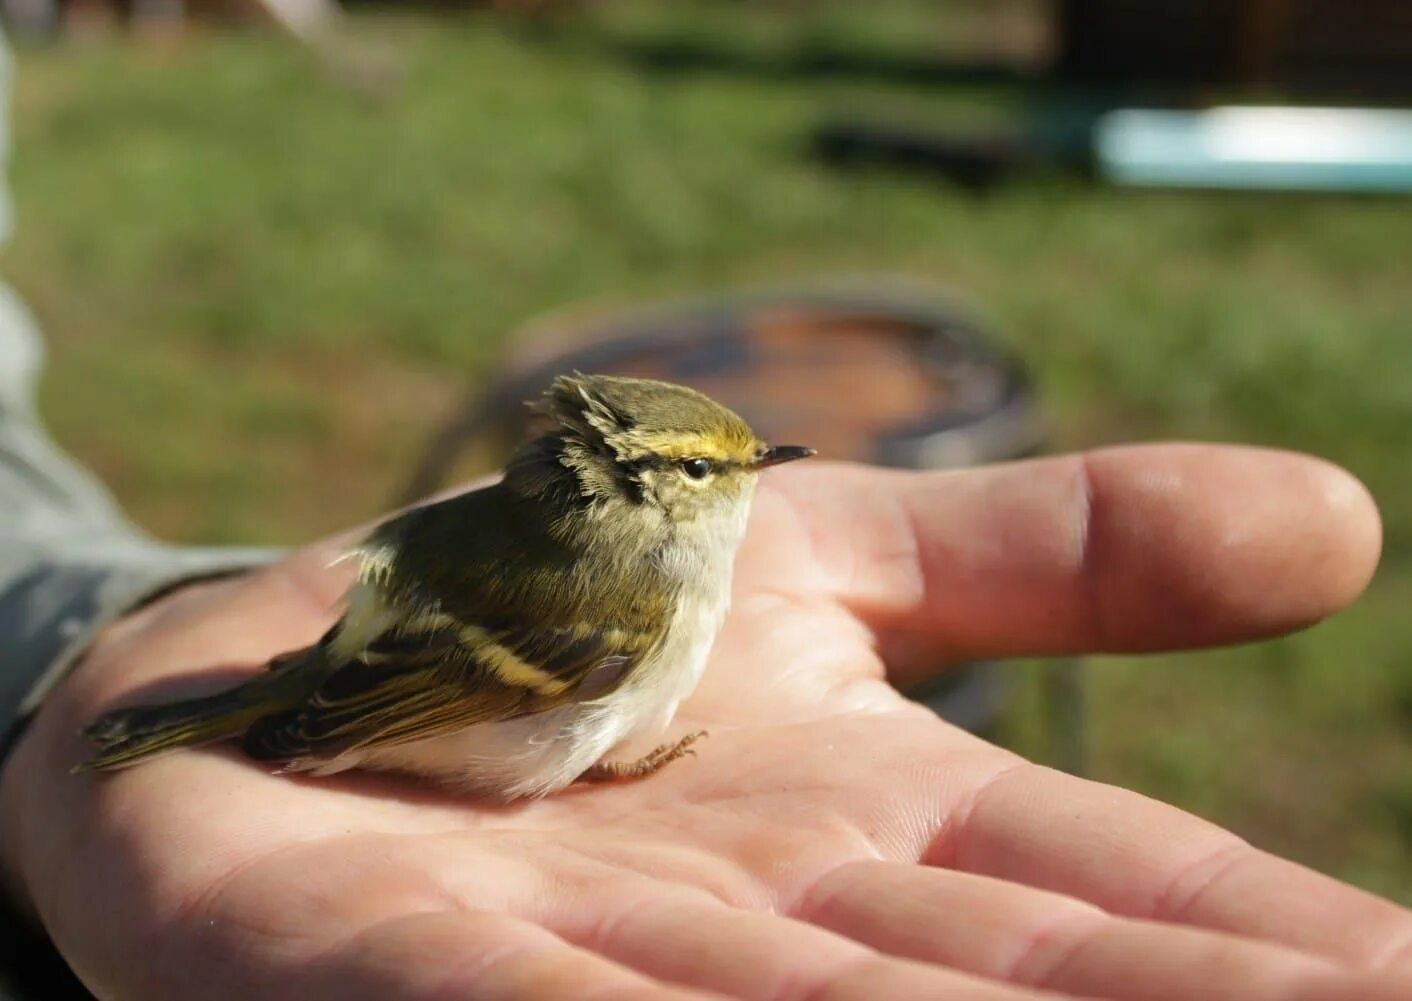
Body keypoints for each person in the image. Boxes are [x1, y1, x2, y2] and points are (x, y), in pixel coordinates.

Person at [1, 37, 1411, 1001]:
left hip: (351, 630)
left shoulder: (555, 529)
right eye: (716, 467)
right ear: (647, 485)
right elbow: (463, 699)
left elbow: (402, 606)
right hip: (410, 689)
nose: (750, 471)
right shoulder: (631, 590)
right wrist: (319, 725)